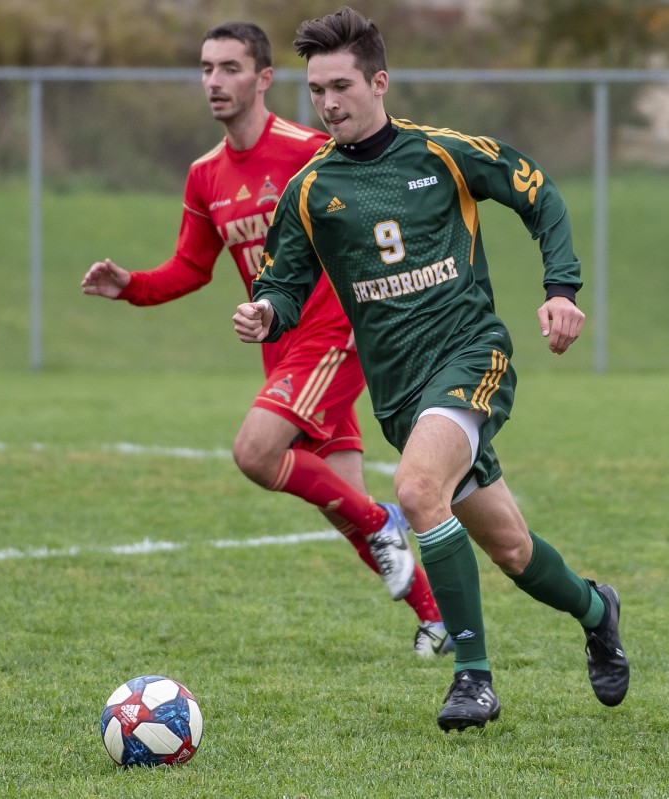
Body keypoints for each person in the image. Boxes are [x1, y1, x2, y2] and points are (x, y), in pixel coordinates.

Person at [233, 7, 630, 730]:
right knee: (511, 548)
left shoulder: (442, 153)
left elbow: (540, 193)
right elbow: (283, 283)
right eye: (317, 90)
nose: (328, 103)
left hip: (471, 354)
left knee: (416, 491)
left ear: (380, 81)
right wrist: (266, 312)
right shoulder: (311, 191)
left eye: (342, 86)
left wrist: (561, 290)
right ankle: (598, 608)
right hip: (400, 393)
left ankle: (472, 677)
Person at [81, 21, 452, 656]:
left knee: (256, 453)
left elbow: (372, 222)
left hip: (335, 331)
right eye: (205, 69)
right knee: (342, 501)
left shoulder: (310, 150)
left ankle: (383, 523)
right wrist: (132, 286)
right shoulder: (205, 176)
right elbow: (193, 267)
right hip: (279, 346)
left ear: (263, 78)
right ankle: (438, 621)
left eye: (229, 68)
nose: (214, 82)